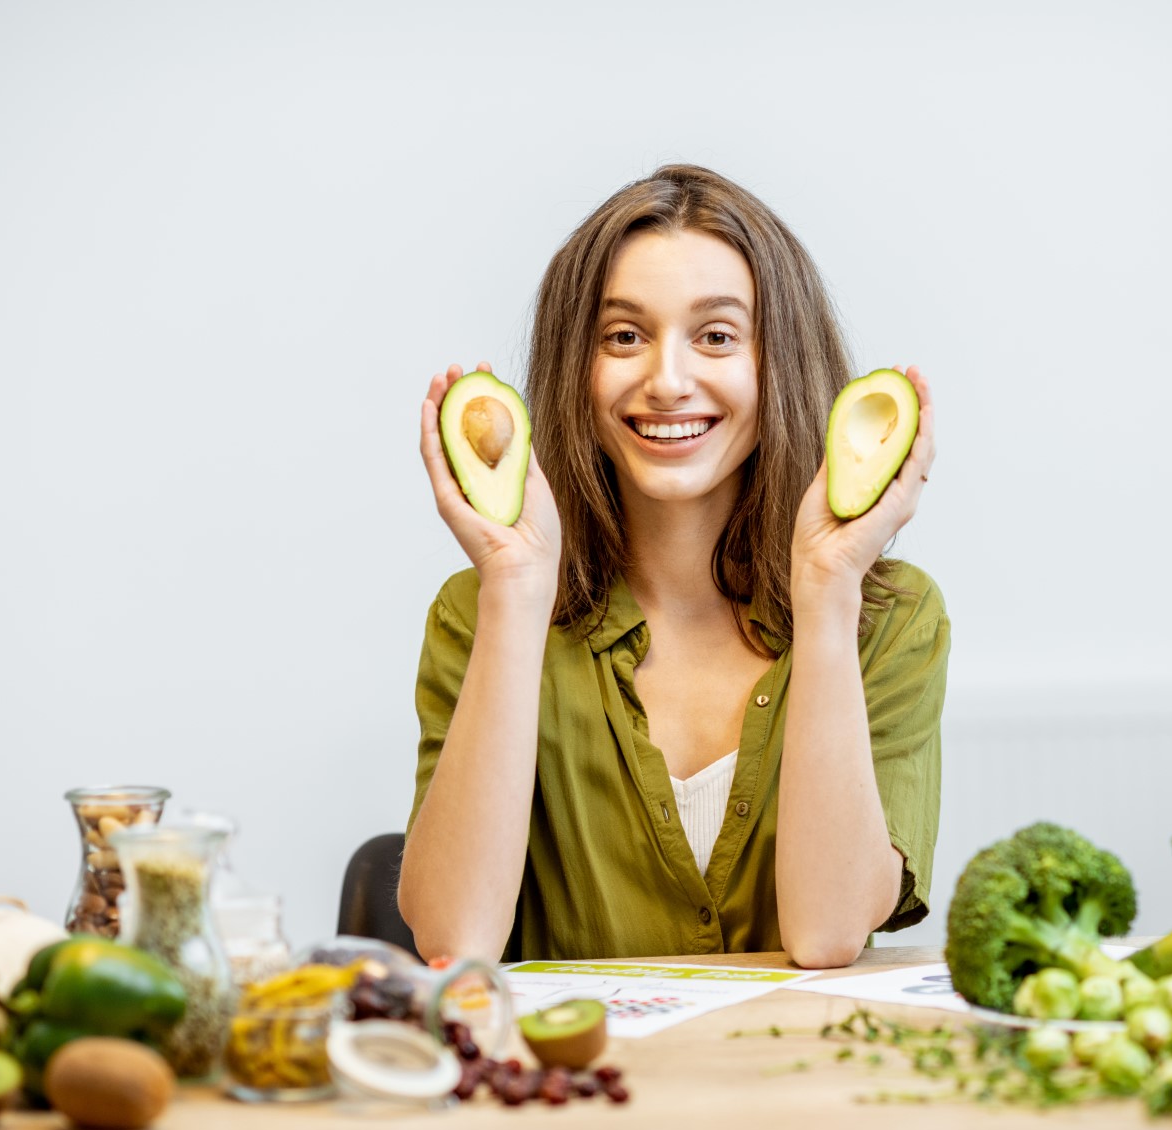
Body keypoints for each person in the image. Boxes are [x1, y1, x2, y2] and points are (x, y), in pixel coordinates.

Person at [398, 165, 948, 969]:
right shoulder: (478, 611)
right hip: (584, 1086)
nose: (667, 380)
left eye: (717, 335)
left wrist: (827, 586)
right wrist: (516, 590)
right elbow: (454, 941)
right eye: (624, 336)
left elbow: (828, 932)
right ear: (574, 370)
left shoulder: (890, 617)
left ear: (781, 363)